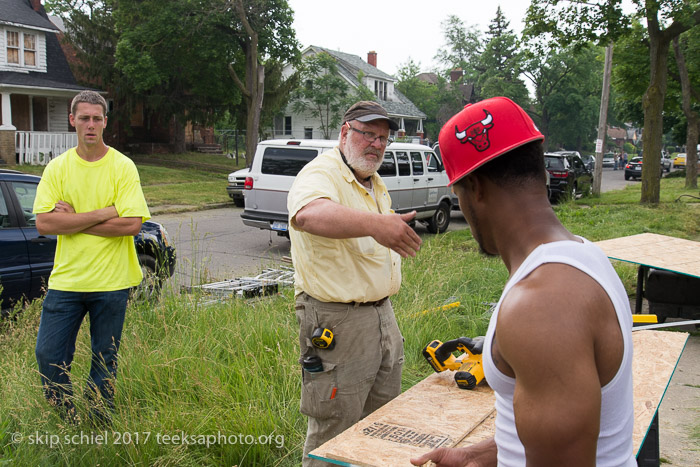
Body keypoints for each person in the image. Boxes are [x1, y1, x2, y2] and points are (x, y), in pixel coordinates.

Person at [411, 97, 634, 467]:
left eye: (459, 194)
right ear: (540, 171)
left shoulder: (541, 304)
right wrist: (477, 456)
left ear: (476, 189)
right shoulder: (581, 256)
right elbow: (564, 436)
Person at [288, 101, 422, 466]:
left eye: (383, 138)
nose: (377, 144)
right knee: (335, 426)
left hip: (381, 316)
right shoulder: (321, 173)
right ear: (345, 132)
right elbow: (308, 214)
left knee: (380, 423)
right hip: (336, 320)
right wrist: (377, 224)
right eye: (368, 134)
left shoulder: (373, 183)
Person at [33, 90, 150, 425]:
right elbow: (44, 223)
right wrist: (102, 213)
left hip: (112, 282)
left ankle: (99, 423)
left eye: (97, 118)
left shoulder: (122, 166)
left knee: (104, 359)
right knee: (49, 355)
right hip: (66, 282)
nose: (90, 124)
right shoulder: (57, 168)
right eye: (83, 117)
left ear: (105, 123)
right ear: (72, 120)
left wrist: (72, 221)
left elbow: (131, 224)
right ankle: (67, 417)